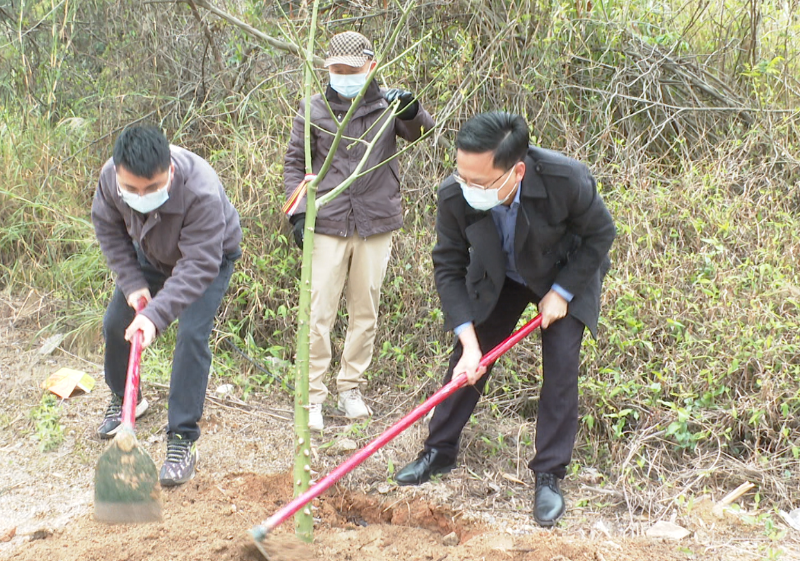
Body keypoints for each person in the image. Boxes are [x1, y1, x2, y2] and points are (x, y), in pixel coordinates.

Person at [394, 112, 616, 527]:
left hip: (564, 272)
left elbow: (601, 235)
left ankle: (549, 475)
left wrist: (562, 292)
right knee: (467, 359)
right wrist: (469, 339)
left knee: (562, 367)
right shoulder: (455, 194)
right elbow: (448, 265)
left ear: (517, 170)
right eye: (463, 176)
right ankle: (438, 451)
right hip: (502, 277)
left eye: (479, 181)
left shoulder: (566, 179)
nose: (468, 188)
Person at [283, 31, 435, 431]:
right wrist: (298, 215)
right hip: (328, 221)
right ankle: (312, 395)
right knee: (318, 312)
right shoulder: (312, 109)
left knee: (364, 310)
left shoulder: (388, 105)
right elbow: (295, 165)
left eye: (351, 70)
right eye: (336, 70)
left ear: (370, 67)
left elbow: (420, 133)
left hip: (375, 222)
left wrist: (411, 110)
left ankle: (350, 387)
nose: (343, 76)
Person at [92, 125, 242, 486]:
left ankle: (182, 438)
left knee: (190, 336)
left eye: (153, 188)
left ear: (170, 172)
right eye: (131, 189)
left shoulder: (200, 189)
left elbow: (198, 265)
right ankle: (127, 398)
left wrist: (155, 316)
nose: (141, 195)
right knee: (116, 323)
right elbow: (108, 229)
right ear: (118, 175)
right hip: (151, 255)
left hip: (207, 260)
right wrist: (133, 286)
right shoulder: (110, 178)